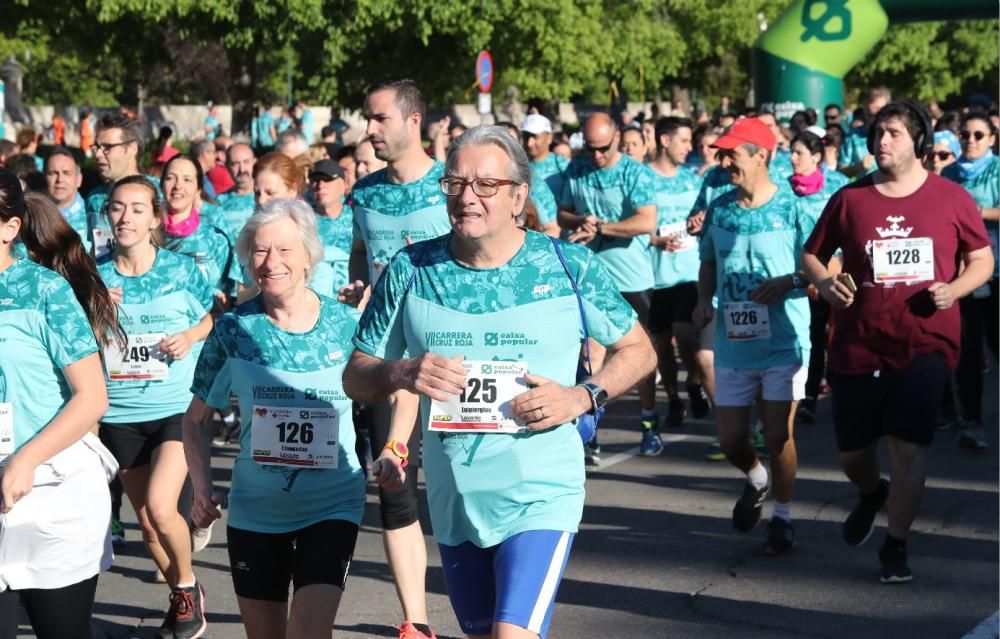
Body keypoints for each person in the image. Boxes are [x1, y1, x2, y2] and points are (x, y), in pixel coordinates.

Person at [345, 125, 656, 639]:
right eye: (455, 184)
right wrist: (404, 371)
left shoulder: (567, 265)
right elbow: (357, 373)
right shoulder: (410, 268)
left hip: (541, 492)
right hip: (456, 503)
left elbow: (639, 350)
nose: (467, 197)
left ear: (518, 196)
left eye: (485, 185)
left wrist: (583, 396)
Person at [802, 101, 993, 584]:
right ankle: (871, 492)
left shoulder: (951, 199)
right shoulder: (850, 199)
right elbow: (812, 254)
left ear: (918, 142)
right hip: (859, 341)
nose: (881, 141)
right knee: (852, 454)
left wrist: (956, 288)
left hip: (925, 340)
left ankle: (896, 544)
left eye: (893, 133)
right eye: (876, 133)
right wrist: (825, 284)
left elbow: (982, 259)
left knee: (909, 445)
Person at [183, 199, 365, 639]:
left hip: (332, 503)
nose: (272, 262)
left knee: (307, 632)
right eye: (261, 251)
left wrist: (397, 448)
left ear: (308, 257)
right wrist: (203, 486)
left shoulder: (346, 326)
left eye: (284, 250)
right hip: (257, 510)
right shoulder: (233, 331)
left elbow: (393, 391)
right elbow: (195, 419)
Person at [345, 78, 451, 639]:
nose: (369, 129)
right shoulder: (364, 192)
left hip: (453, 358)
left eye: (380, 119)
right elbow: (361, 252)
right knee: (394, 480)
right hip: (392, 362)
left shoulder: (454, 186)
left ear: (413, 122)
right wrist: (359, 283)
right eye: (368, 118)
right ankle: (416, 621)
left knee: (461, 484)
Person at [0, 171, 119, 639]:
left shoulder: (43, 290)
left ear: (9, 229)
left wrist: (25, 460)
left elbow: (92, 397)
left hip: (54, 492)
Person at [97, 175, 213, 638]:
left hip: (173, 408)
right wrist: (93, 310)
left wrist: (189, 335)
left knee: (164, 509)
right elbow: (74, 342)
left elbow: (211, 318)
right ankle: (186, 593)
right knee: (147, 527)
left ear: (155, 218)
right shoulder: (92, 274)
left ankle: (185, 590)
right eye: (117, 208)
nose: (125, 218)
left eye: (137, 209)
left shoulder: (181, 270)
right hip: (120, 414)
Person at [693, 117, 815, 555]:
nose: (725, 162)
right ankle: (758, 479)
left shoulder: (795, 208)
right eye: (722, 154)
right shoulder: (721, 206)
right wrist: (704, 298)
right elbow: (708, 261)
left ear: (762, 156)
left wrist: (789, 282)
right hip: (734, 342)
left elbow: (827, 266)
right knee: (730, 440)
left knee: (778, 435)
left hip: (783, 342)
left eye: (733, 154)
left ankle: (782, 519)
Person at [558, 112, 661, 459]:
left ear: (617, 138)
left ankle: (649, 421)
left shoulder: (635, 172)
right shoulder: (577, 168)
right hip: (589, 274)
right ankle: (590, 426)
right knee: (590, 352)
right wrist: (580, 221)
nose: (596, 156)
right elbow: (563, 213)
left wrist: (602, 228)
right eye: (590, 149)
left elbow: (646, 221)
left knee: (640, 354)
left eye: (602, 149)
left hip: (632, 277)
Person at [647, 117, 712, 427]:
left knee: (686, 336)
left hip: (688, 273)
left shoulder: (692, 179)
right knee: (661, 344)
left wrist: (699, 222)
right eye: (684, 141)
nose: (690, 148)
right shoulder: (643, 178)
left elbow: (703, 216)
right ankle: (673, 399)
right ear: (664, 140)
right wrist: (655, 239)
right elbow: (633, 222)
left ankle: (695, 383)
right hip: (653, 276)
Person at [942, 111, 999, 449]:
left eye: (979, 135)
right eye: (965, 135)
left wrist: (978, 214)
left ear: (992, 139)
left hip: (997, 270)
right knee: (967, 351)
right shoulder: (949, 173)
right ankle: (972, 421)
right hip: (962, 275)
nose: (971, 141)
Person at [787, 130, 849, 422]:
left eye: (799, 152)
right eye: (791, 152)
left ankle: (816, 391)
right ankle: (803, 394)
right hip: (793, 275)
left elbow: (847, 231)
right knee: (803, 335)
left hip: (830, 271)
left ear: (816, 156)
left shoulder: (837, 185)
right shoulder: (782, 189)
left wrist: (826, 275)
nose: (793, 158)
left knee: (823, 335)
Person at [161, 154, 240, 304]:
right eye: (170, 178)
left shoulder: (215, 239)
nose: (178, 186)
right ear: (161, 185)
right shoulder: (148, 235)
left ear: (198, 189)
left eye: (187, 180)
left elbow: (229, 291)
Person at [87, 112, 155, 259]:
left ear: (132, 148)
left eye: (107, 147)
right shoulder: (94, 198)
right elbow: (97, 251)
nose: (98, 154)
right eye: (97, 147)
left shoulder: (159, 193)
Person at [309, 159, 354, 293]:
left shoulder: (358, 218)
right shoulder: (303, 221)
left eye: (327, 179)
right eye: (315, 180)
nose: (320, 185)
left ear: (344, 184)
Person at [45, 146, 90, 251]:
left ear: (79, 179)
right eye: (53, 173)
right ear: (44, 177)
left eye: (66, 173)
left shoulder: (93, 217)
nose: (60, 179)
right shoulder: (33, 218)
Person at [839, 87, 891, 178]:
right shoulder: (852, 136)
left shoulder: (900, 136)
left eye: (879, 111)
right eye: (870, 114)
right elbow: (840, 172)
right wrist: (858, 167)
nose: (875, 117)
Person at [215, 143, 257, 239]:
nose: (241, 169)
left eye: (246, 162)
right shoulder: (220, 202)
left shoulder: (267, 197)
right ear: (227, 167)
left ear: (254, 162)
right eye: (235, 164)